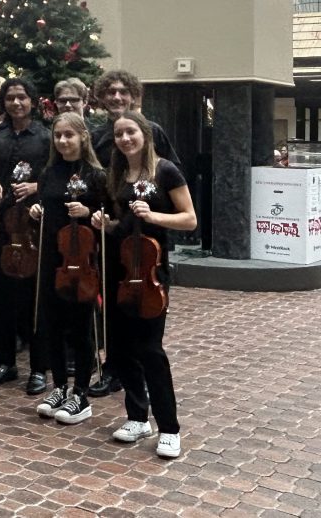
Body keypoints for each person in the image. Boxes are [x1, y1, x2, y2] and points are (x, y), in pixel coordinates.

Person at [91, 110, 196, 459]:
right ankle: (137, 417)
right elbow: (119, 224)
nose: (125, 139)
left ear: (145, 134)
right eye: (119, 134)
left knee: (151, 350)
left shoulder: (165, 170)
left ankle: (169, 427)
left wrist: (153, 216)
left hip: (152, 270)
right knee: (121, 348)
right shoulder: (116, 173)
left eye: (131, 132)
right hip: (120, 269)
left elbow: (189, 219)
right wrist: (104, 224)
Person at [87, 70, 180, 398]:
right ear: (101, 96)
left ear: (133, 95)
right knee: (112, 301)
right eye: (109, 92)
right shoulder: (98, 136)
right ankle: (115, 367)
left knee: (143, 305)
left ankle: (141, 368)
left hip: (144, 234)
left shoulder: (152, 131)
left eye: (122, 92)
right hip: (109, 231)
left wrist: (159, 219)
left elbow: (173, 181)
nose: (116, 97)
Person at [28, 112, 107, 425]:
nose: (62, 141)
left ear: (82, 137)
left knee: (80, 327)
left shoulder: (96, 175)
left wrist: (89, 211)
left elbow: (107, 214)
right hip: (53, 259)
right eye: (58, 135)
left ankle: (81, 394)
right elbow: (46, 208)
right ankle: (59, 385)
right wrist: (37, 210)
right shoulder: (49, 173)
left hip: (82, 263)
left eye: (69, 135)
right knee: (53, 325)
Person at [0, 77, 51, 394]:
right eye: (10, 98)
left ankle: (38, 368)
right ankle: (6, 363)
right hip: (4, 229)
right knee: (3, 299)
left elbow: (58, 178)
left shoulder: (46, 138)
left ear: (32, 101)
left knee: (34, 301)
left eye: (22, 98)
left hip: (34, 227)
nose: (16, 103)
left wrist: (37, 187)